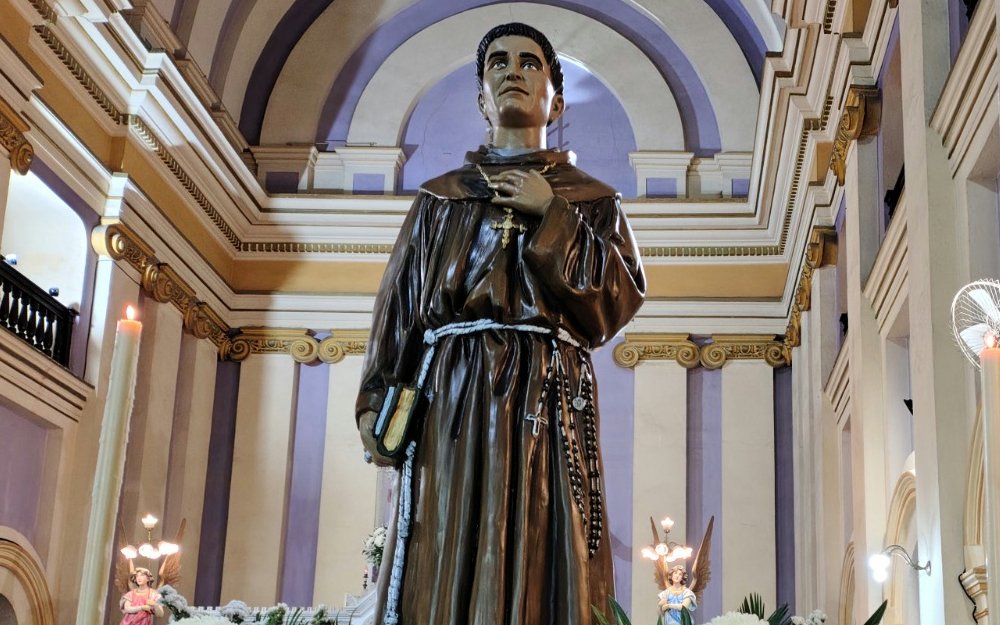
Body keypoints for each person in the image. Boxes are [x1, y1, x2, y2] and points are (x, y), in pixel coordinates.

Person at [356, 21, 645, 625]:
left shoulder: (593, 200)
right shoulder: (441, 198)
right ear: (482, 100)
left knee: (547, 534)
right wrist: (375, 398)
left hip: (549, 392)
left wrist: (552, 213)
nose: (513, 70)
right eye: (498, 62)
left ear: (555, 103)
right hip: (451, 396)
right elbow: (401, 304)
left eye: (529, 62)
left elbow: (616, 300)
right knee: (445, 536)